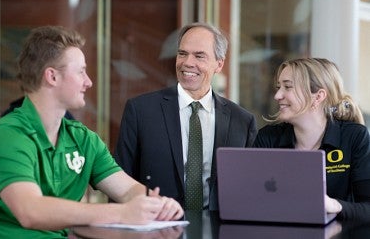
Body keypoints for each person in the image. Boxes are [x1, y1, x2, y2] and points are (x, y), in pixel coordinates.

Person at [0, 26, 184, 239]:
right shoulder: (5, 137)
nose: (88, 82)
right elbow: (30, 211)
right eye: (81, 71)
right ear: (52, 77)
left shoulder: (83, 139)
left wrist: (155, 203)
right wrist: (121, 213)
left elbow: (127, 190)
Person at [113, 22, 257, 211]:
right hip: (154, 226)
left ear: (219, 64)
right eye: (182, 53)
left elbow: (250, 190)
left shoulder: (242, 122)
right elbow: (118, 181)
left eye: (199, 56)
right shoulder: (140, 111)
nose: (188, 62)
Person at [253, 57, 370, 221]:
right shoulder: (268, 138)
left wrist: (334, 205)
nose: (278, 95)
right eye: (279, 87)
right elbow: (252, 201)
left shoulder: (355, 137)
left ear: (318, 96)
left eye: (288, 87)